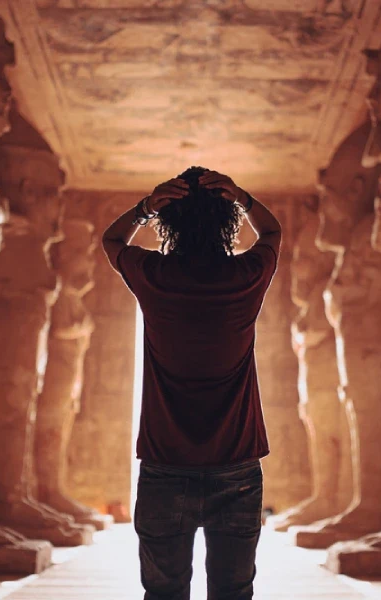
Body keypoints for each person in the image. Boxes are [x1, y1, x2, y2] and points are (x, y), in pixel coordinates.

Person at [103, 166, 282, 600]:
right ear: (230, 223)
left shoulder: (155, 276)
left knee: (164, 593)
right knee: (233, 593)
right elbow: (272, 232)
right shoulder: (246, 278)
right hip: (237, 464)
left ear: (168, 222)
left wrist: (146, 207)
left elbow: (112, 240)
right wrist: (242, 197)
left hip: (165, 466)